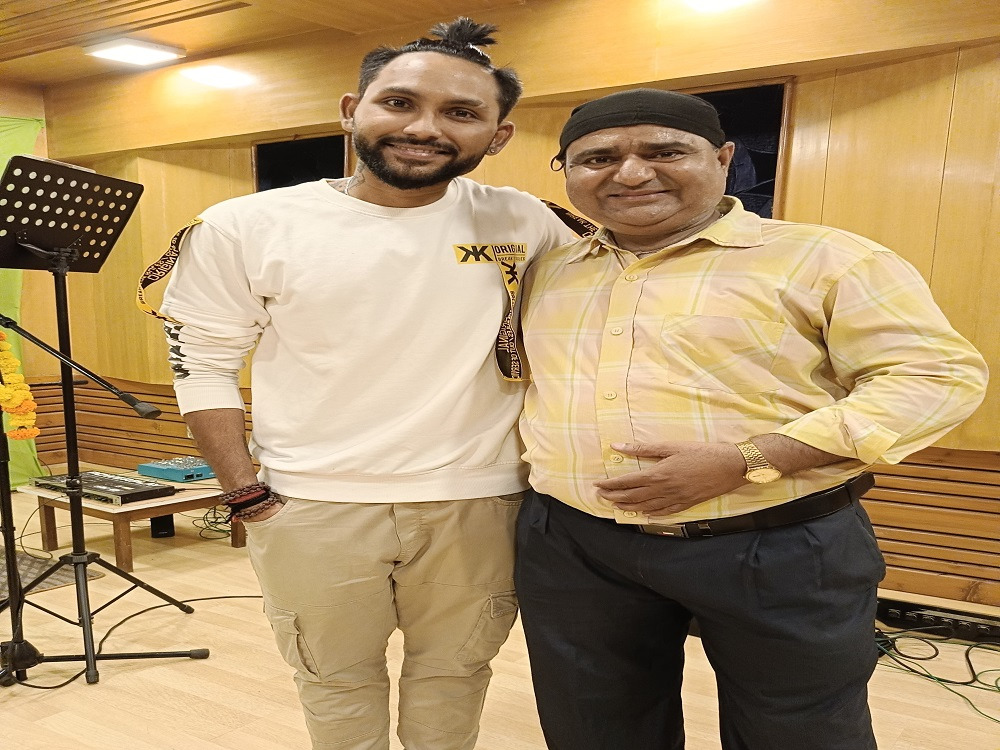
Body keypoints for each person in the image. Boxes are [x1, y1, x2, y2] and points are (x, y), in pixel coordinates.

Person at [514, 88, 989, 750]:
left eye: (664, 152)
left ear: (724, 158)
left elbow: (935, 378)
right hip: (576, 548)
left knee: (800, 735)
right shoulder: (545, 271)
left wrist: (751, 459)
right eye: (598, 158)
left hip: (776, 545)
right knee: (594, 730)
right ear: (566, 172)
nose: (631, 173)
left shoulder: (826, 258)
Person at [150, 18, 577, 750]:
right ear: (352, 110)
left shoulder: (525, 220)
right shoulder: (242, 226)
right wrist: (245, 492)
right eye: (399, 103)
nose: (425, 128)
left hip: (480, 501)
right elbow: (203, 365)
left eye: (461, 112)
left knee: (456, 676)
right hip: (310, 505)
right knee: (334, 681)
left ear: (498, 135)